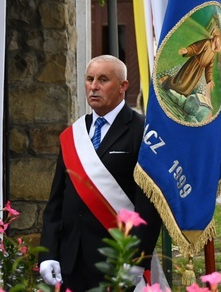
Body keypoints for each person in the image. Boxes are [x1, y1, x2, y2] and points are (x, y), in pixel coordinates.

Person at [40, 55, 161, 292]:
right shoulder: (72, 135)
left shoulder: (142, 132)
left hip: (116, 257)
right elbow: (56, 203)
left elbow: (149, 207)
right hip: (71, 260)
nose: (94, 86)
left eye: (103, 80)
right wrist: (48, 253)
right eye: (90, 79)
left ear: (123, 86)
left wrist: (136, 260)